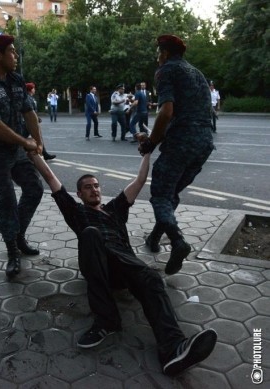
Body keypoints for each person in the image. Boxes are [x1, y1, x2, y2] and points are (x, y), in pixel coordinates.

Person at [29, 151, 217, 377]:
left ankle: (173, 350)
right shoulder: (75, 211)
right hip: (97, 265)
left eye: (96, 185)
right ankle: (106, 320)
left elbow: (139, 181)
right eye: (87, 187)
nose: (94, 189)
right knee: (90, 234)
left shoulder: (115, 209)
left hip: (124, 267)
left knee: (151, 278)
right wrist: (34, 153)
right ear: (79, 194)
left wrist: (146, 153)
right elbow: (50, 177)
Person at [0, 34, 45, 278]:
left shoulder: (15, 79)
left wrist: (39, 141)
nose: (15, 56)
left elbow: (29, 112)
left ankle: (18, 234)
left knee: (34, 188)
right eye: (12, 52)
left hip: (16, 150)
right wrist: (26, 141)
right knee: (7, 200)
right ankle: (12, 251)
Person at [139, 34, 214, 275]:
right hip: (203, 144)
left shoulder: (166, 71)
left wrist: (151, 142)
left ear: (166, 53)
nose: (156, 58)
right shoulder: (196, 73)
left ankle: (178, 242)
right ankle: (154, 238)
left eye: (157, 53)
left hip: (182, 141)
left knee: (160, 194)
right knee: (171, 194)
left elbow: (166, 112)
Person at [25, 83, 56, 161]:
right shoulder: (28, 98)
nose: (34, 89)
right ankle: (40, 154)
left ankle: (44, 153)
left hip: (33, 121)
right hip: (30, 122)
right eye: (33, 88)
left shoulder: (30, 98)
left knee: (38, 137)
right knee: (36, 137)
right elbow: (29, 111)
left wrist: (37, 118)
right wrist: (35, 118)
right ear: (31, 89)